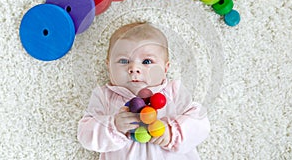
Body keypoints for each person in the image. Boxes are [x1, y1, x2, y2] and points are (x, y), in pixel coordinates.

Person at [77, 22, 210, 160]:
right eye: (123, 61)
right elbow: (85, 134)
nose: (134, 68)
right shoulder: (104, 96)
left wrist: (172, 133)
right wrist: (114, 126)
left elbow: (200, 122)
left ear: (165, 69)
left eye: (147, 61)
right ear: (109, 67)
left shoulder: (173, 91)